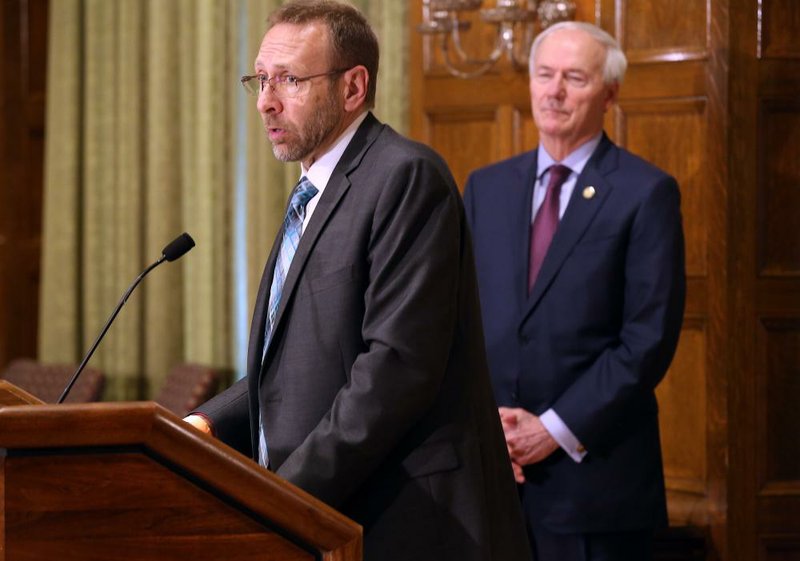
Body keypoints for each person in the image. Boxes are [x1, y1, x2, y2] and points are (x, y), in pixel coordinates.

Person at [184, 2, 532, 560]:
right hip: (334, 520)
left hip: (406, 520)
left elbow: (394, 370)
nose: (266, 101)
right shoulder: (312, 195)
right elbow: (298, 362)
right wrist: (204, 422)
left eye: (290, 80)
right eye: (261, 79)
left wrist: (283, 496)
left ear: (353, 87)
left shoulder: (404, 177)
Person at [463, 21, 686, 561]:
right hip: (494, 478)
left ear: (609, 94)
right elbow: (457, 322)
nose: (554, 91)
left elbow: (646, 340)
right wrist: (488, 427)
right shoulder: (486, 187)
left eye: (574, 78)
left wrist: (552, 430)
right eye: (544, 75)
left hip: (596, 487)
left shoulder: (646, 192)